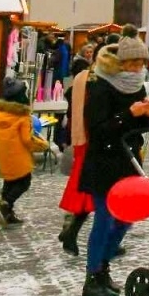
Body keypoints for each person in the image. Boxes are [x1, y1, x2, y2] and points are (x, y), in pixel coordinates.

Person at [78, 34, 149, 296]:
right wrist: (128, 115)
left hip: (128, 160)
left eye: (141, 63)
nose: (138, 69)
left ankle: (103, 268)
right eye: (133, 63)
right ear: (122, 63)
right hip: (104, 162)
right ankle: (93, 276)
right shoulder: (101, 86)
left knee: (126, 218)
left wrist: (147, 114)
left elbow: (140, 128)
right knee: (104, 219)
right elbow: (97, 131)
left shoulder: (137, 86)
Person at [0, 78, 49, 226]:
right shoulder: (22, 117)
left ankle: (8, 213)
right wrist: (42, 144)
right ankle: (4, 204)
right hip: (19, 158)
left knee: (9, 182)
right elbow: (27, 139)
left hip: (4, 157)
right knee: (24, 183)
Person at [58, 43, 98, 254]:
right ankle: (76, 234)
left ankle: (71, 232)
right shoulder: (92, 85)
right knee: (94, 196)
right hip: (92, 145)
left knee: (87, 194)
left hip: (84, 143)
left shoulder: (79, 84)